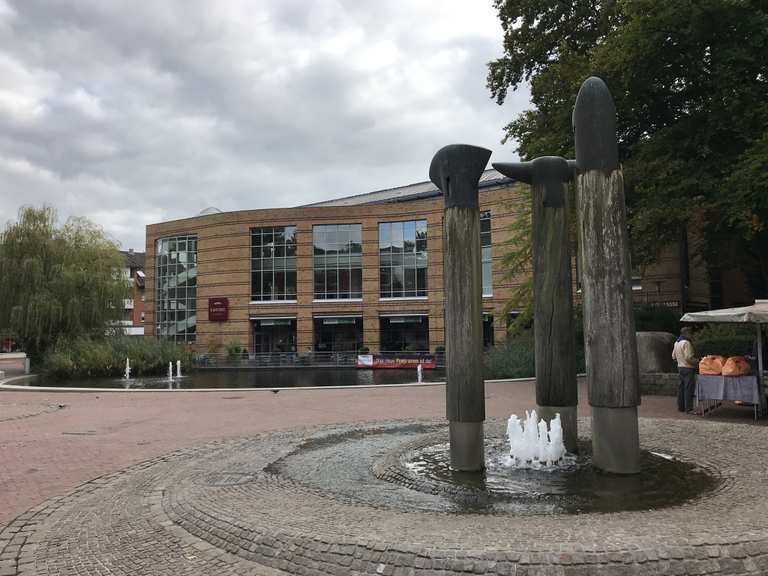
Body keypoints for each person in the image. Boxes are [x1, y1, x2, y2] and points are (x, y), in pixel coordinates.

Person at [672, 327, 698, 412]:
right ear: (687, 333)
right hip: (688, 368)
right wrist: (698, 362)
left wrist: (680, 361)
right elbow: (688, 358)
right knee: (688, 389)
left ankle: (681, 407)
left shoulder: (676, 342)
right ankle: (689, 408)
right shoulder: (687, 343)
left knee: (681, 389)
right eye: (690, 333)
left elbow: (673, 356)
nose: (691, 335)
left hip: (680, 367)